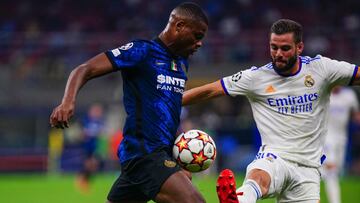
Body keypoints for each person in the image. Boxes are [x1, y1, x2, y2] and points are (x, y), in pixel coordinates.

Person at [182, 19, 360, 203]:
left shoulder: (322, 69)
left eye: (285, 48)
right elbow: (211, 89)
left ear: (299, 47)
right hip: (274, 157)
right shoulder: (256, 77)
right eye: (273, 47)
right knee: (259, 178)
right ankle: (237, 200)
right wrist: (172, 101)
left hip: (308, 170)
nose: (278, 54)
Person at [50, 2, 208, 203]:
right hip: (144, 155)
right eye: (197, 36)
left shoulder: (182, 64)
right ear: (179, 26)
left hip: (154, 157)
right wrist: (67, 102)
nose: (200, 43)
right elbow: (84, 69)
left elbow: (170, 107)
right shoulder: (142, 51)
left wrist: (176, 158)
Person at [322, 86, 359, 203]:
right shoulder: (323, 92)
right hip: (326, 138)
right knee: (331, 172)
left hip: (342, 139)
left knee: (335, 172)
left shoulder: (349, 95)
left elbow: (355, 114)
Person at [76, 103, 105, 192]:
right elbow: (81, 133)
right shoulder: (86, 121)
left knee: (93, 165)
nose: (98, 113)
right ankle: (81, 180)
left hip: (96, 147)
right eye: (96, 111)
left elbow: (102, 133)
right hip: (88, 146)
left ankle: (83, 180)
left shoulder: (100, 122)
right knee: (89, 165)